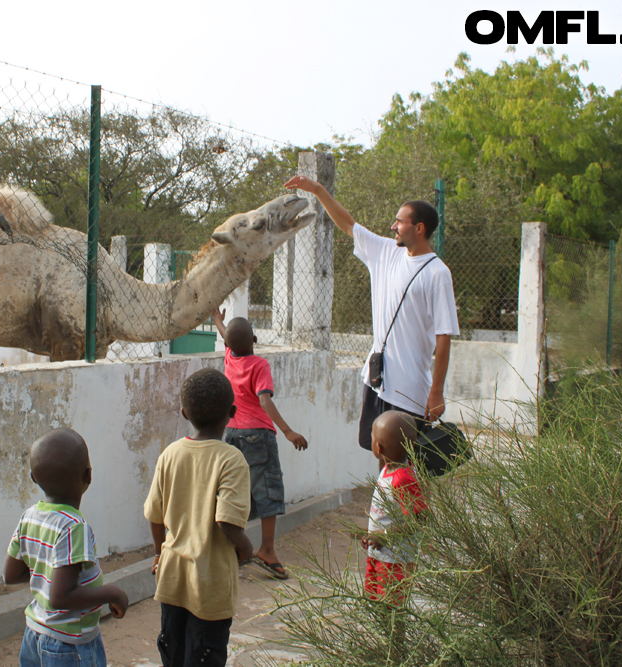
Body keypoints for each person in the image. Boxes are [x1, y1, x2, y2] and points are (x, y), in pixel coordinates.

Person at [284, 175, 460, 452]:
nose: (394, 226)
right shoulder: (386, 251)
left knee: (410, 461)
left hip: (410, 389)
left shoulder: (438, 273)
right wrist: (318, 189)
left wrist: (436, 392)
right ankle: (384, 496)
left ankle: (400, 496)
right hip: (379, 381)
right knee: (381, 452)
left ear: (420, 228)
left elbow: (444, 337)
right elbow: (348, 223)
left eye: (400, 221)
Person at [144, 367, 255, 667]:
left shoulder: (170, 454)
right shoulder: (231, 459)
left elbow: (154, 515)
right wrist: (245, 547)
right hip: (211, 582)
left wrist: (158, 553)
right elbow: (227, 521)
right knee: (205, 655)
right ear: (232, 412)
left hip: (172, 576)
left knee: (173, 651)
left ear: (183, 413)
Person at [3, 428, 129, 667]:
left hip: (34, 634)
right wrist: (114, 594)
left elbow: (10, 574)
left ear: (33, 477)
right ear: (88, 475)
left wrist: (47, 574)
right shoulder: (74, 527)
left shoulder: (29, 516)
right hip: (68, 645)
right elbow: (61, 597)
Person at [211, 308, 308, 580]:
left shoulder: (229, 357)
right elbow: (264, 400)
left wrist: (218, 318)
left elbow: (226, 336)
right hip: (258, 435)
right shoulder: (259, 365)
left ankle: (232, 548)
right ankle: (266, 550)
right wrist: (288, 431)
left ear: (228, 346)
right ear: (254, 341)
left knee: (233, 490)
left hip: (230, 434)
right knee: (268, 489)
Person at [360, 411, 428, 605]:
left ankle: (395, 637)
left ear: (378, 447)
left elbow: (421, 520)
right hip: (379, 555)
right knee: (377, 605)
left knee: (392, 610)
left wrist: (385, 534)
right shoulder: (387, 469)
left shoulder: (402, 478)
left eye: (372, 437)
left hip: (395, 561)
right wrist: (372, 536)